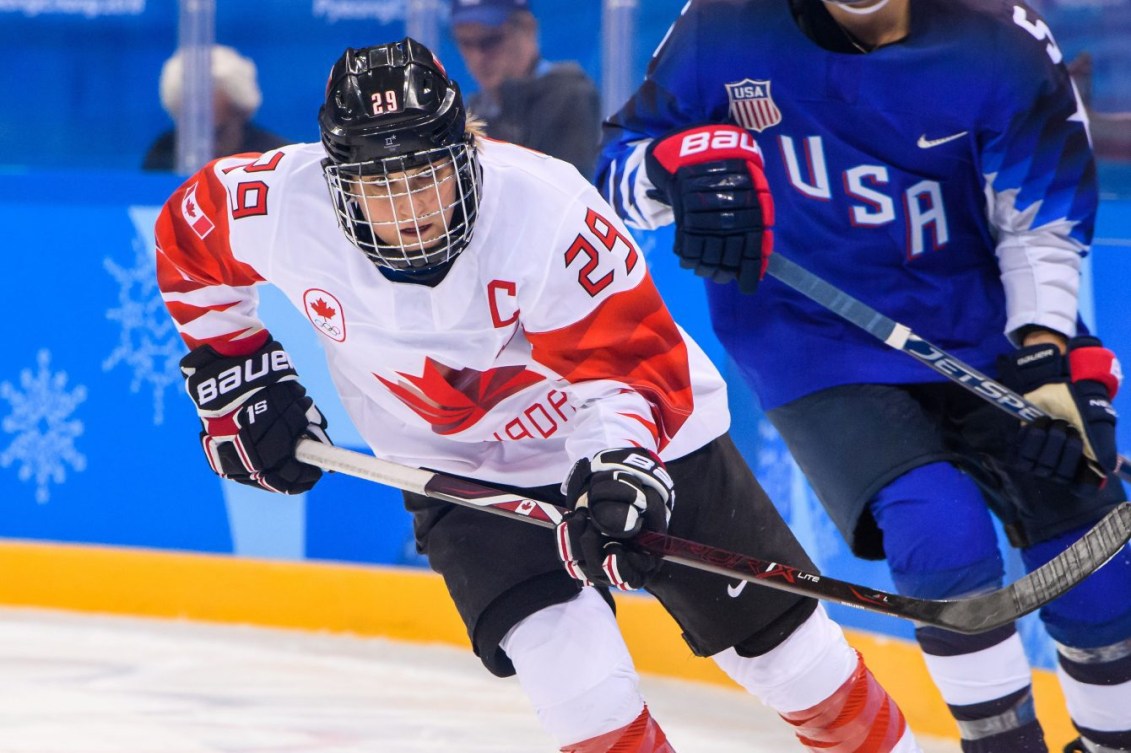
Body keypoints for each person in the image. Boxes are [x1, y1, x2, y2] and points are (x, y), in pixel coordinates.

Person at [154, 37, 925, 753]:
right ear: (334, 176)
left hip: (646, 437)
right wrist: (237, 367)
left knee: (789, 660)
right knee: (577, 687)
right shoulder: (279, 200)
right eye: (381, 187)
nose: (410, 210)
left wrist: (620, 465)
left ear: (468, 152)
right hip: (456, 466)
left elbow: (624, 366)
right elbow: (188, 241)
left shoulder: (544, 210)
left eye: (426, 177)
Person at [595, 1, 1131, 752]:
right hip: (810, 337)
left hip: (986, 319)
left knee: (1094, 548)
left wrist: (1044, 351)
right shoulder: (722, 24)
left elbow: (1039, 216)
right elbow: (617, 169)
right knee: (935, 530)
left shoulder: (1001, 34)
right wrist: (670, 173)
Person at [449, 0, 601, 177]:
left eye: (491, 41)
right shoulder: (472, 109)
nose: (478, 57)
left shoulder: (570, 94)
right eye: (466, 43)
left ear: (528, 29)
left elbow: (562, 189)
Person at [142, 44, 288, 172]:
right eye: (192, 131)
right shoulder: (163, 153)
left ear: (240, 113)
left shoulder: (274, 157)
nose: (206, 146)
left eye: (218, 133)